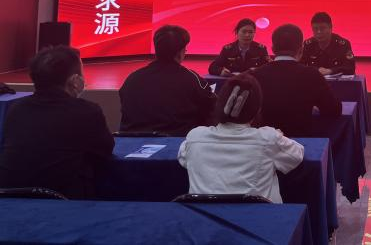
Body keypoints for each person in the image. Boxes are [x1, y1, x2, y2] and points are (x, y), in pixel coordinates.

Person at [0, 46, 114, 198]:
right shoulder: (87, 111)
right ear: (75, 81)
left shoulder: (16, 108)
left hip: (8, 198)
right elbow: (104, 151)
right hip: (59, 201)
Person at [178, 73, 304, 202]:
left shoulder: (195, 136)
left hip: (202, 214)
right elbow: (297, 155)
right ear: (257, 109)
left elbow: (183, 158)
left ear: (219, 103)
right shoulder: (269, 138)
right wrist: (278, 136)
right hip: (259, 215)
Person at [119, 25, 216, 136]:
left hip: (131, 140)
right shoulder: (193, 80)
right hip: (178, 141)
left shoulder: (132, 79)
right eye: (185, 48)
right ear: (180, 53)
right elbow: (211, 108)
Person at [252, 23, 341, 137]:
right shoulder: (312, 75)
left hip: (265, 142)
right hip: (301, 143)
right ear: (301, 50)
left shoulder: (256, 75)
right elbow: (334, 110)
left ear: (273, 49)